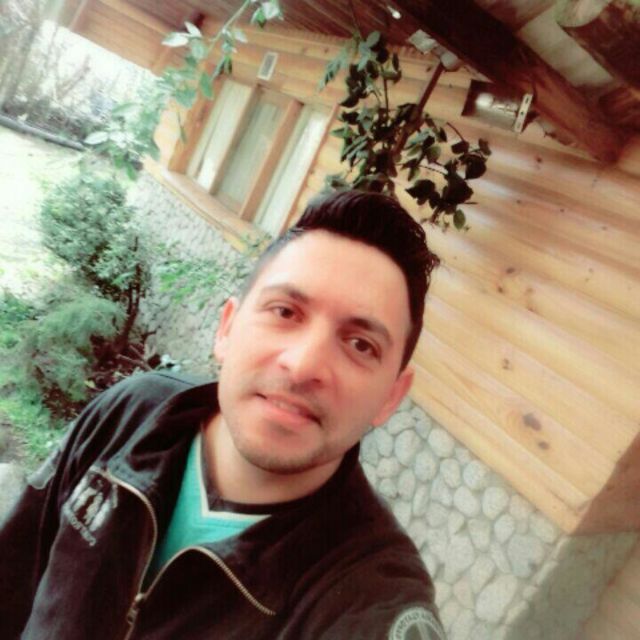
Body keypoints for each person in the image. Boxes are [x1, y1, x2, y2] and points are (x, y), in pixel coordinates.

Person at [0, 190, 445, 639]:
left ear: (391, 396)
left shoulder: (368, 597)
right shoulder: (131, 413)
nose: (302, 365)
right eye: (285, 311)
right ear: (227, 327)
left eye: (360, 345)